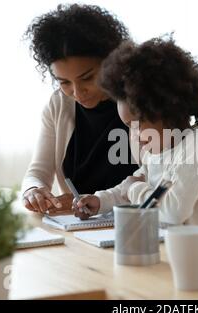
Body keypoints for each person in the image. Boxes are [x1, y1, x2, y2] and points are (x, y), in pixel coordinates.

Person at [72, 36, 198, 228]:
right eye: (128, 126)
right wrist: (100, 201)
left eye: (138, 122)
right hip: (165, 250)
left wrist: (134, 188)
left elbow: (174, 212)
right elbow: (130, 188)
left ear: (166, 108)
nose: (134, 135)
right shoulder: (154, 152)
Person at [21, 4, 139, 214]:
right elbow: (37, 171)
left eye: (87, 78)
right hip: (83, 231)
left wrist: (96, 203)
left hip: (140, 224)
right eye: (64, 82)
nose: (77, 92)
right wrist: (33, 190)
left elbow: (161, 181)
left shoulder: (143, 101)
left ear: (111, 61)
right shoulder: (58, 105)